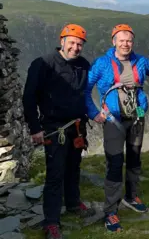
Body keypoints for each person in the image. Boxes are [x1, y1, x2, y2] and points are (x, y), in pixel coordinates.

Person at [85, 24, 149, 232]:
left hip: (137, 119)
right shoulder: (102, 63)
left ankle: (132, 196)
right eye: (121, 40)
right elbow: (85, 89)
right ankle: (111, 211)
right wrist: (94, 112)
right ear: (113, 41)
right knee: (114, 163)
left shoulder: (140, 61)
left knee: (134, 158)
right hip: (113, 120)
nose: (125, 44)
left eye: (129, 40)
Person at [23, 24, 96, 239]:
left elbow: (85, 92)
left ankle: (73, 203)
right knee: (55, 173)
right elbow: (29, 97)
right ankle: (51, 221)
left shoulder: (83, 64)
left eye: (79, 44)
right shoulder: (43, 64)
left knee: (74, 166)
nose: (75, 47)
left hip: (77, 126)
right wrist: (35, 128)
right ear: (62, 41)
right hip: (55, 128)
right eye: (72, 42)